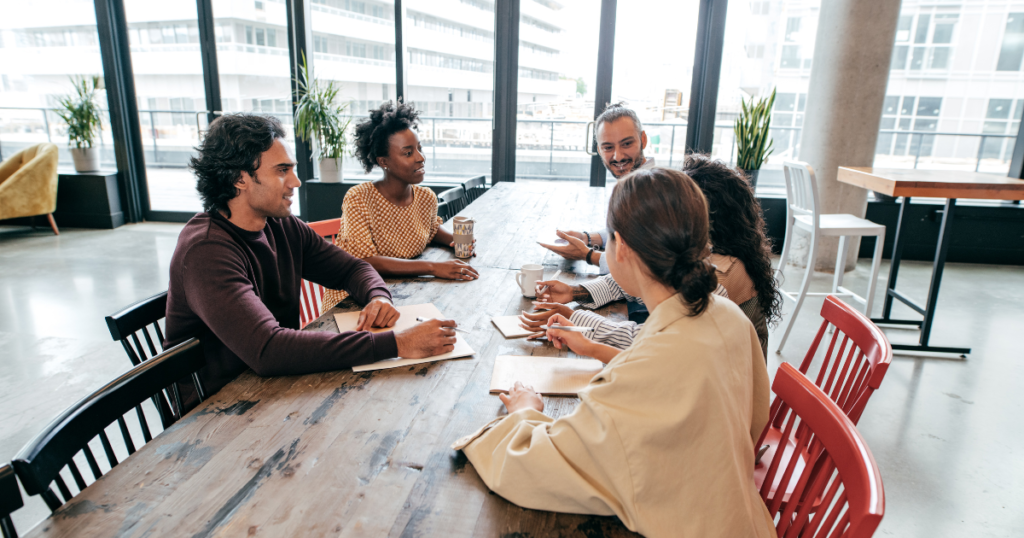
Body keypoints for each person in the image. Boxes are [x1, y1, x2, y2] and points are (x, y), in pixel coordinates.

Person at [454, 168, 774, 538]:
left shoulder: (643, 371)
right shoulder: (730, 317)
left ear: (620, 247)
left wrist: (525, 413)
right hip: (738, 513)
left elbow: (534, 465)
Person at [164, 113, 457, 399]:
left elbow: (352, 268)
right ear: (240, 178)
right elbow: (268, 349)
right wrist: (397, 343)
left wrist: (378, 297)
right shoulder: (206, 251)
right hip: (220, 411)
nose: (296, 182)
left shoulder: (280, 223)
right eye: (281, 171)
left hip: (279, 384)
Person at [321, 101, 478, 311]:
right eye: (408, 153)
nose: (421, 158)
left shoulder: (425, 197)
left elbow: (430, 229)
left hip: (401, 293)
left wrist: (456, 240)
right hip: (354, 300)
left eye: (419, 149)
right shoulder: (359, 198)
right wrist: (433, 267)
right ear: (383, 161)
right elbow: (366, 261)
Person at [538, 103, 654, 277]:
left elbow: (641, 271)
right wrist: (587, 238)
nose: (618, 156)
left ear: (643, 140)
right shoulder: (632, 185)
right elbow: (628, 236)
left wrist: (587, 254)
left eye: (626, 143)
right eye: (608, 147)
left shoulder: (656, 192)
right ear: (599, 150)